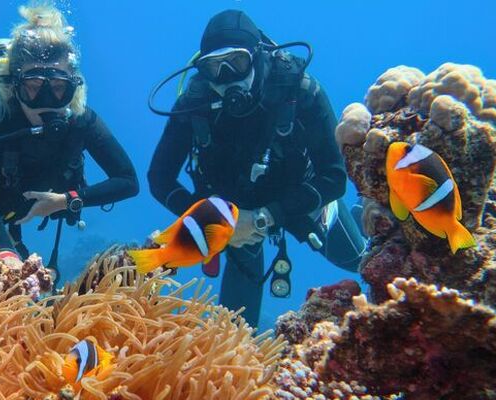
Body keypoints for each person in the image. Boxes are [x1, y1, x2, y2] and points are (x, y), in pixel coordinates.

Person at [147, 10, 365, 328]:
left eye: (236, 62)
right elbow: (158, 177)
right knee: (236, 327)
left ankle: (363, 217)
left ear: (256, 55)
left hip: (297, 198)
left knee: (358, 260)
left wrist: (266, 216)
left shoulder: (299, 91)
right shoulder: (194, 105)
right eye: (213, 67)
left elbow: (333, 178)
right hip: (234, 224)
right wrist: (205, 217)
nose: (225, 77)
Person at [0, 4, 138, 276]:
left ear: (73, 87)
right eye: (34, 88)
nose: (47, 102)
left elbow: (128, 181)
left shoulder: (81, 119)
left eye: (59, 89)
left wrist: (67, 200)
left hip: (39, 195)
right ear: (14, 86)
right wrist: (6, 252)